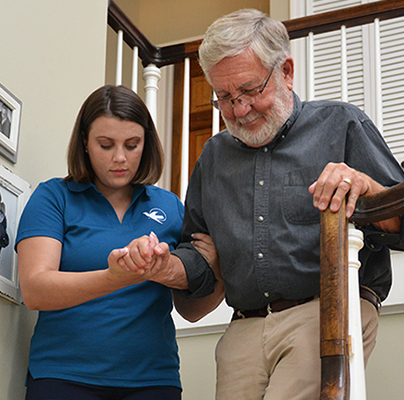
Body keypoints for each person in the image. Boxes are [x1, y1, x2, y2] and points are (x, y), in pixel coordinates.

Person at [115, 9, 404, 400]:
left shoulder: (343, 125)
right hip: (243, 330)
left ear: (285, 71)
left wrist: (367, 186)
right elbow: (201, 258)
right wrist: (167, 266)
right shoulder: (213, 157)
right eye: (224, 97)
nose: (238, 110)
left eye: (250, 91)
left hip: (323, 312)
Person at [15, 84, 219, 400]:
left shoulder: (169, 207)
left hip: (153, 380)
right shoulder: (53, 197)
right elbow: (35, 290)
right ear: (84, 141)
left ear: (146, 144)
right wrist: (115, 278)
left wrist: (218, 270)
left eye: (133, 144)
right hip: (63, 377)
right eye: (106, 144)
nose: (120, 158)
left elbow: (191, 311)